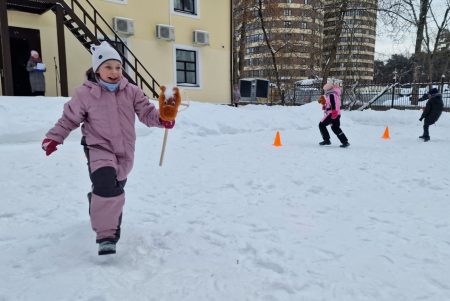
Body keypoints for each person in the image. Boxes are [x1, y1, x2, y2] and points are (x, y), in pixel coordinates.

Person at [41, 41, 176, 255]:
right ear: (97, 69)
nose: (114, 72)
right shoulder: (85, 94)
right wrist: (54, 138)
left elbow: (146, 113)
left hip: (125, 150)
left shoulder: (131, 91)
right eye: (108, 67)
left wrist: (163, 118)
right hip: (98, 146)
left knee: (115, 187)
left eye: (118, 67)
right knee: (106, 184)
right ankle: (107, 236)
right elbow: (69, 119)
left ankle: (97, 199)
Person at [318, 80, 350, 148]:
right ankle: (345, 142)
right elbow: (334, 103)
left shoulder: (331, 94)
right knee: (335, 128)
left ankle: (326, 140)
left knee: (321, 125)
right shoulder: (335, 94)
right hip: (337, 114)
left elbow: (333, 104)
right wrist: (325, 106)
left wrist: (334, 112)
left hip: (332, 113)